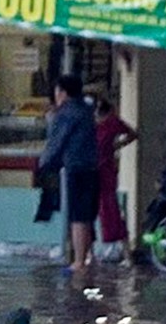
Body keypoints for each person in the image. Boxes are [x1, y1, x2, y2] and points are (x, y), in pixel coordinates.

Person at [32, 74, 99, 265]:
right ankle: (87, 257)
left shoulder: (66, 113)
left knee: (77, 216)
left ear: (62, 92)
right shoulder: (87, 110)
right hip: (91, 167)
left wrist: (44, 164)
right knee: (86, 216)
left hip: (74, 167)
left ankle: (78, 261)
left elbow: (56, 143)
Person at [93, 97, 139, 260]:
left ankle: (88, 254)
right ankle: (126, 255)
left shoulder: (97, 123)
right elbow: (133, 134)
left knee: (103, 210)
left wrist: (115, 146)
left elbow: (132, 134)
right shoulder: (111, 122)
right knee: (109, 210)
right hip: (103, 170)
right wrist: (116, 146)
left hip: (99, 170)